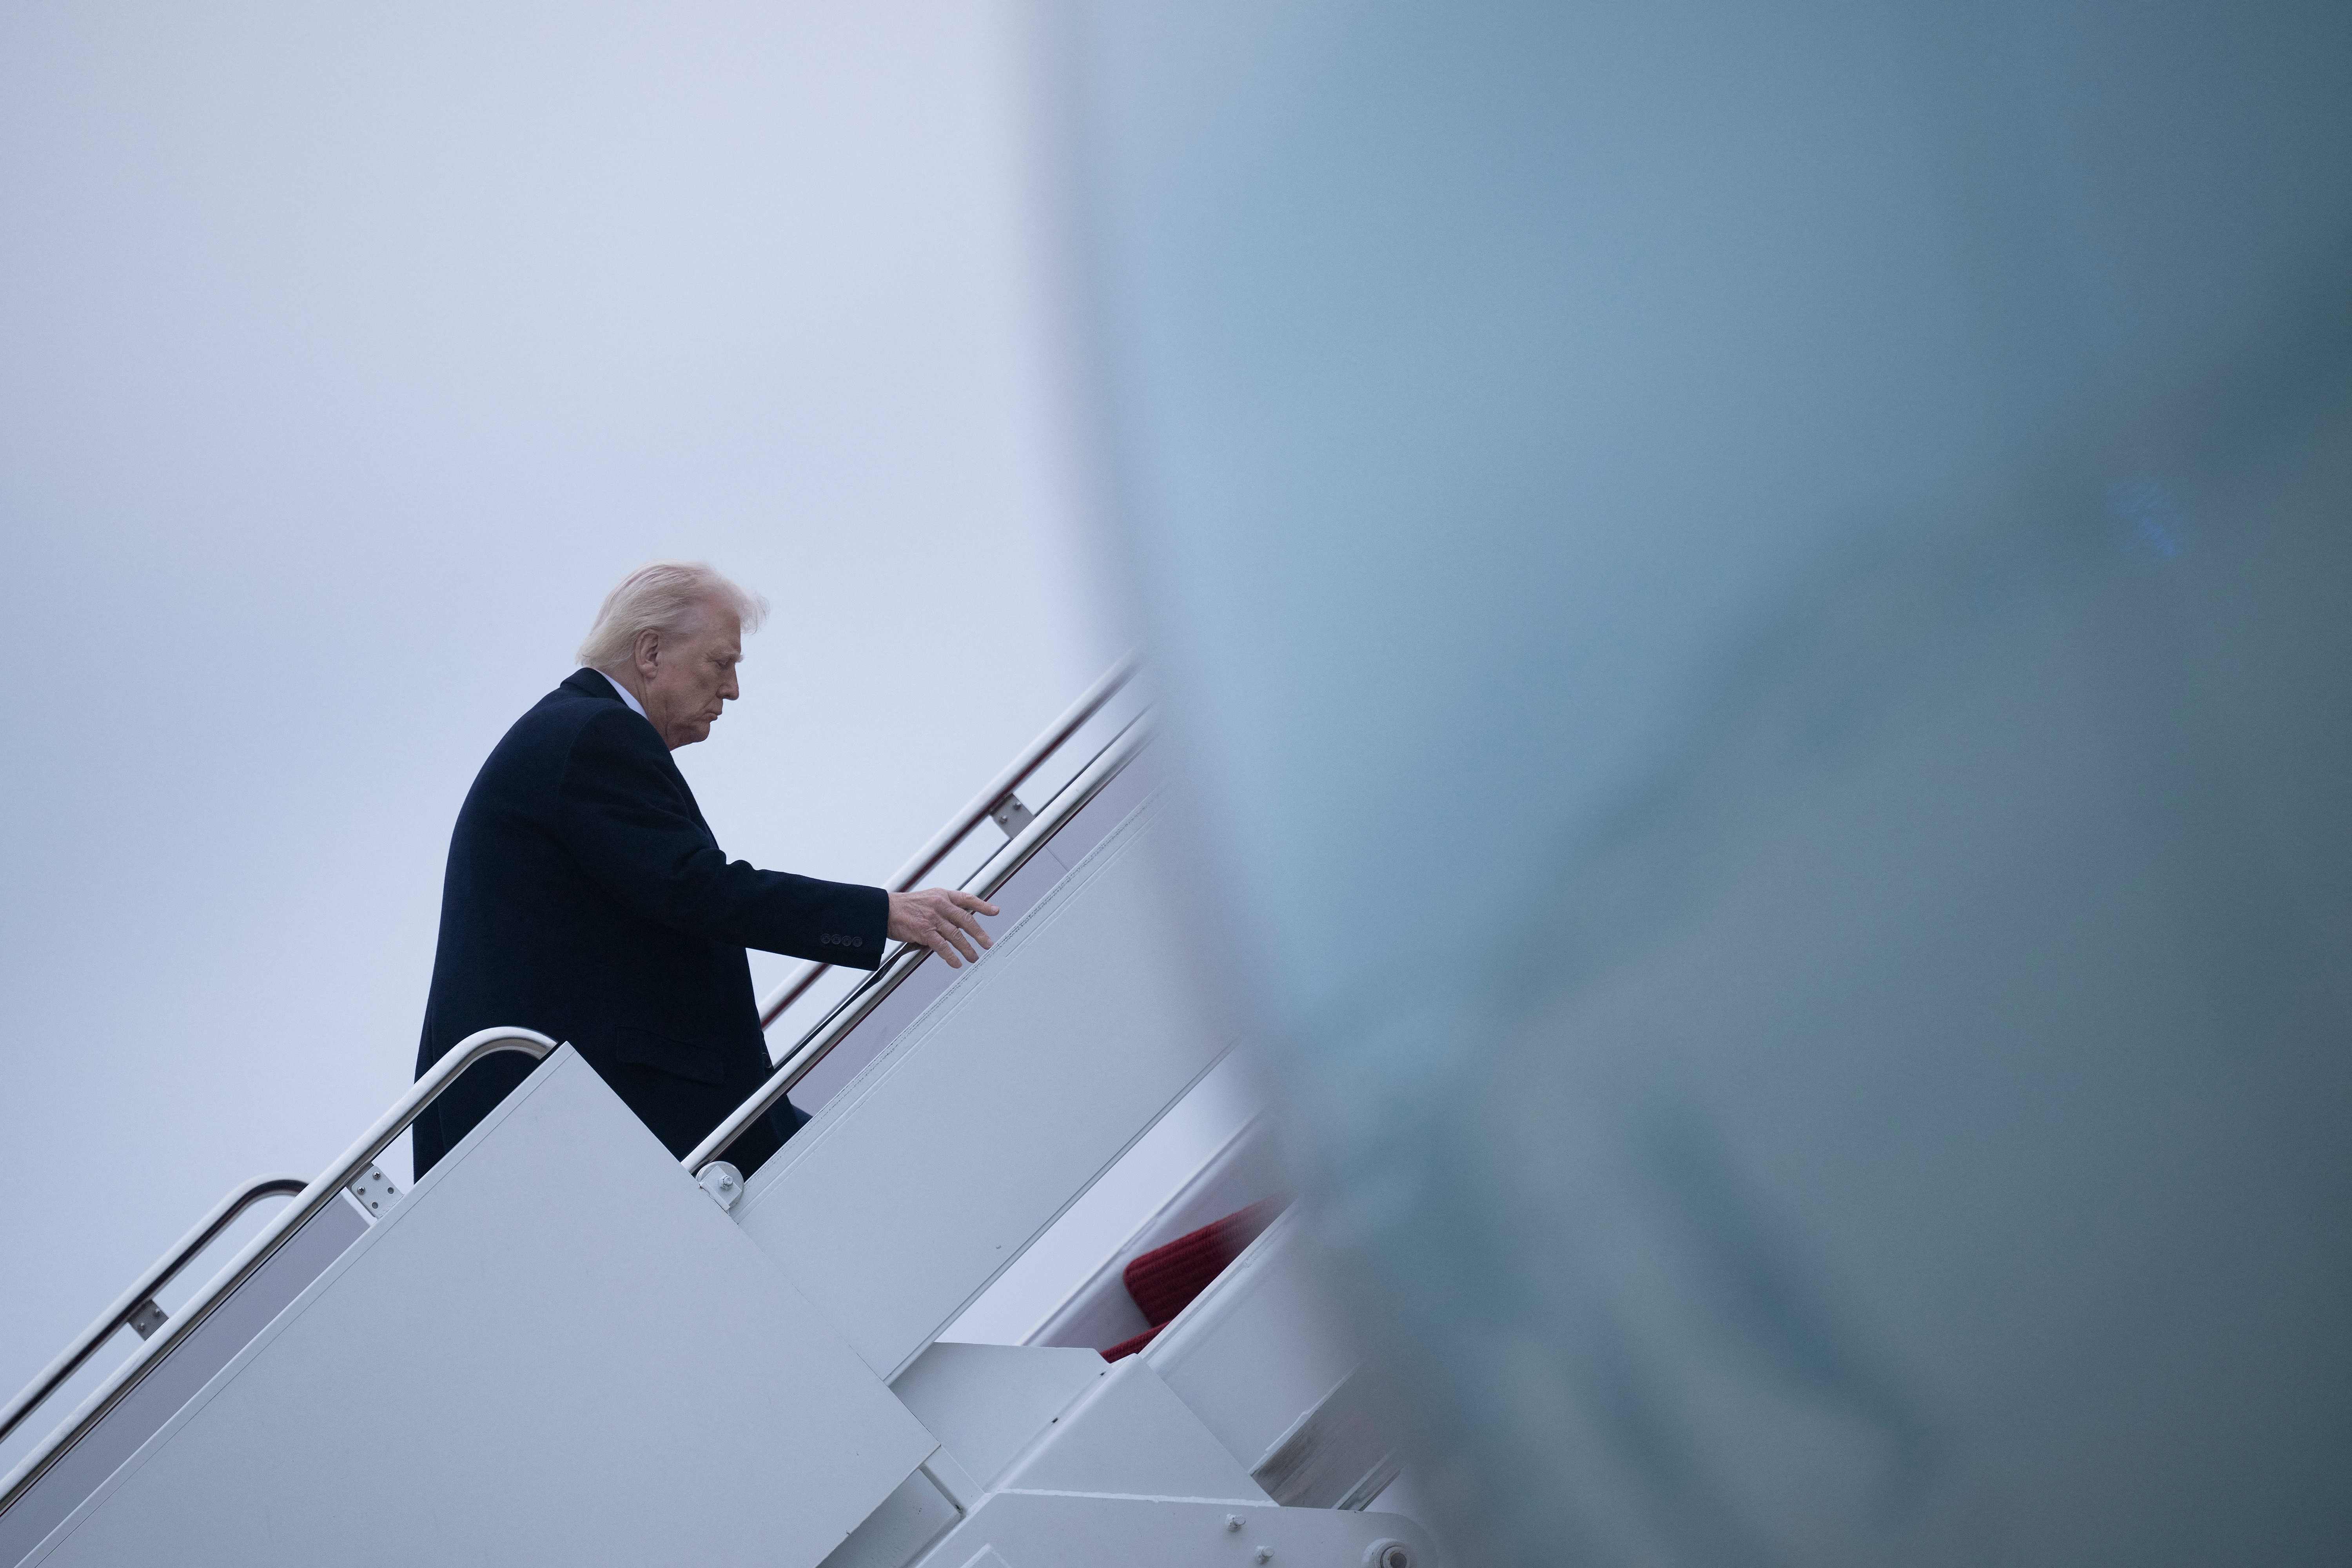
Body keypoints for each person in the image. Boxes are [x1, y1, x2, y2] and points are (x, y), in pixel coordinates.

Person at [411, 562, 997, 1178]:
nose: (733, 689)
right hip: (601, 1117)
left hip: (582, 1108)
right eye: (721, 663)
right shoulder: (596, 734)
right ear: (651, 653)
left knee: (864, 1175)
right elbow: (696, 888)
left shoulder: (570, 729)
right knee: (876, 1179)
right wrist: (881, 915)